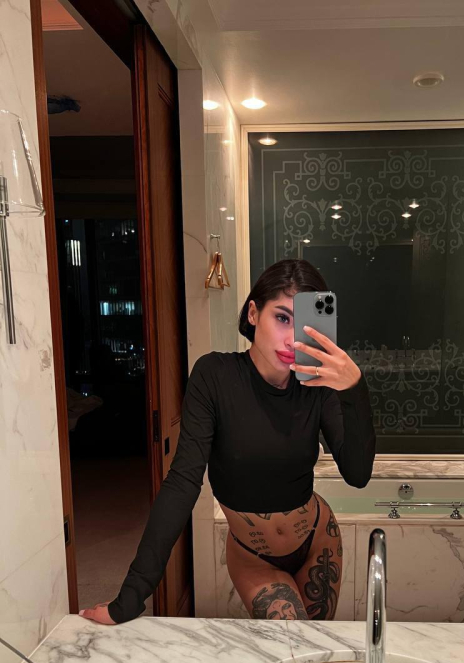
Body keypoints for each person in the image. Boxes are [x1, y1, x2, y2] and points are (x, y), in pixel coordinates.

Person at [79, 259, 376, 625]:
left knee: (315, 649)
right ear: (253, 313)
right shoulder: (214, 376)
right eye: (282, 318)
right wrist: (130, 597)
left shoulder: (316, 385)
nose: (292, 338)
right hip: (255, 557)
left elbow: (358, 474)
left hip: (318, 540)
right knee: (292, 644)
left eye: (303, 324)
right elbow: (182, 483)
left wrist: (354, 388)